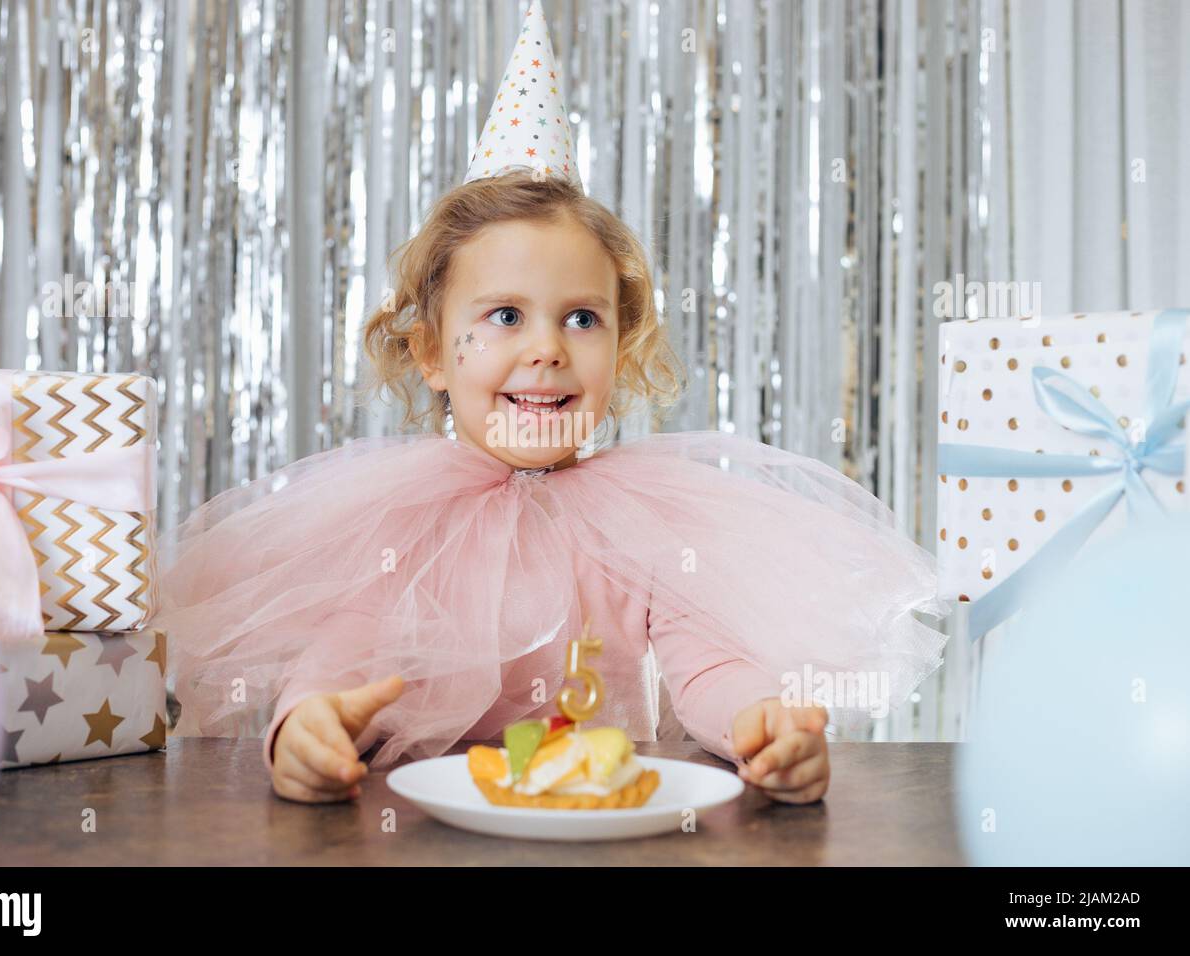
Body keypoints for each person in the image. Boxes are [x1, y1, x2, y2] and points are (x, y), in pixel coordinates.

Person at [153, 0, 950, 808]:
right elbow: (343, 655)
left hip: (596, 828)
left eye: (581, 317)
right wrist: (307, 725)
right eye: (504, 316)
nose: (547, 348)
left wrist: (762, 723)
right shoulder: (402, 519)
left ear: (622, 342)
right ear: (431, 351)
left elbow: (706, 663)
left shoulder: (642, 522)